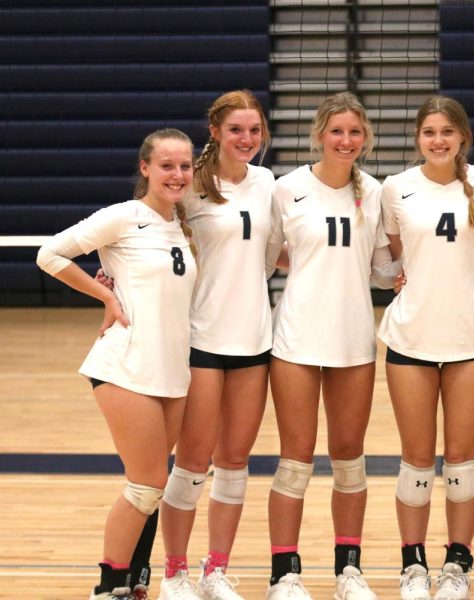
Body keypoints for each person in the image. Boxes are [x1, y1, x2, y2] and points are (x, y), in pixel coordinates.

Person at [36, 129, 198, 600]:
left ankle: (135, 582)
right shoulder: (125, 217)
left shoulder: (181, 227)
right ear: (145, 168)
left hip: (171, 371)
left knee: (154, 485)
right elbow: (50, 254)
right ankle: (108, 589)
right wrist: (105, 294)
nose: (177, 174)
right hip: (126, 365)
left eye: (185, 165)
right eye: (166, 165)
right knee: (146, 486)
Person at [264, 91, 399, 600]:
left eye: (355, 132)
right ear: (319, 134)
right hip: (297, 338)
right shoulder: (287, 188)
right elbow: (269, 253)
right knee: (295, 459)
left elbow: (382, 269)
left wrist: (420, 270)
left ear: (365, 138)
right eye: (337, 131)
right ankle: (285, 573)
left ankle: (348, 571)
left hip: (353, 341)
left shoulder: (376, 190)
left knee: (349, 458)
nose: (346, 140)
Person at [156, 90, 275, 600]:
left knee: (234, 462)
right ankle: (174, 572)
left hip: (254, 338)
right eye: (236, 130)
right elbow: (146, 236)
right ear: (216, 133)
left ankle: (214, 571)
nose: (246, 139)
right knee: (192, 461)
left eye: (254, 130)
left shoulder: (269, 183)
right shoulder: (189, 188)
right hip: (201, 339)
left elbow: (273, 255)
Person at [378, 95, 474, 600]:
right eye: (429, 132)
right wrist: (391, 277)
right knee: (417, 461)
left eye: (448, 131)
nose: (439, 140)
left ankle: (457, 565)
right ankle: (413, 566)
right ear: (418, 138)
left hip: (471, 337)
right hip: (411, 336)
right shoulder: (396, 187)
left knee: (462, 460)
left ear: (462, 137)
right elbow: (387, 255)